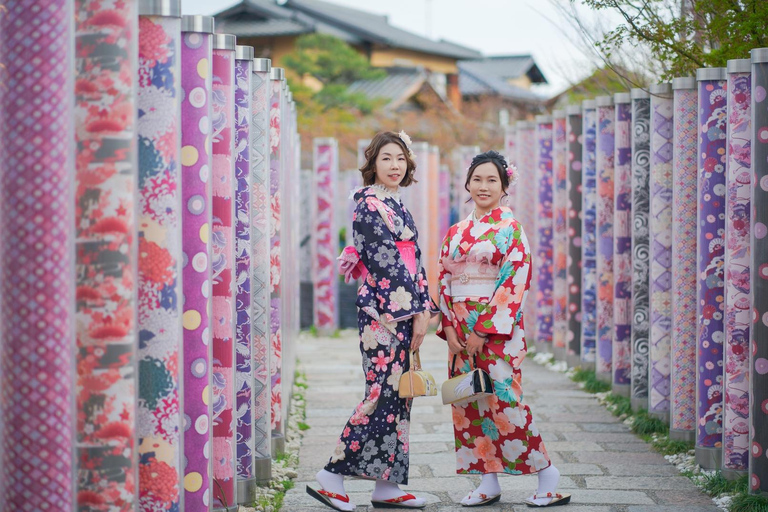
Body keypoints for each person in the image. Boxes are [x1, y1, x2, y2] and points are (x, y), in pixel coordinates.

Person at [306, 131, 434, 511]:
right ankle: (332, 475)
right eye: (386, 159)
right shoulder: (368, 207)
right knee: (381, 393)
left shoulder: (395, 204)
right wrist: (415, 311)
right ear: (373, 164)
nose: (394, 166)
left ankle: (387, 485)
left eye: (400, 159)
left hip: (404, 310)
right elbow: (385, 264)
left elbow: (415, 261)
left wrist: (425, 306)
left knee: (399, 396)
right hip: (385, 313)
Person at [436, 151, 570, 508]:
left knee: (505, 401)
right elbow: (443, 279)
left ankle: (547, 475)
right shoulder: (455, 232)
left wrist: (483, 330)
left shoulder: (511, 230)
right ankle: (488, 480)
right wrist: (449, 327)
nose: (483, 186)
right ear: (467, 183)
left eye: (491, 180)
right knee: (469, 402)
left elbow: (515, 281)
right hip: (460, 333)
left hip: (495, 332)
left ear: (504, 186)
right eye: (477, 179)